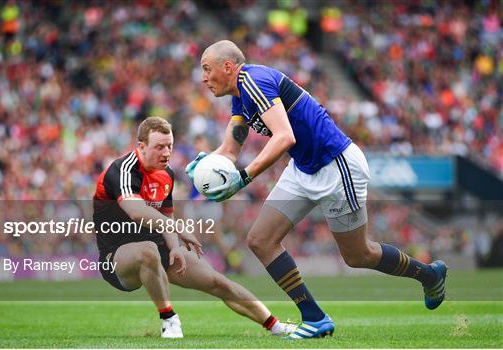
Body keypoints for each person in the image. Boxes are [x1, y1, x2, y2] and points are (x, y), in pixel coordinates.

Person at [186, 40, 448, 339]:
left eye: (207, 69)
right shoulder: (240, 97)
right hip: (303, 168)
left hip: (336, 166)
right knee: (260, 239)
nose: (204, 78)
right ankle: (314, 318)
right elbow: (231, 150)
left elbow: (284, 137)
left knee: (359, 255)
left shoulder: (254, 81)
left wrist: (243, 178)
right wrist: (208, 162)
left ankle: (429, 274)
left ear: (228, 66)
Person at [93, 116, 295, 338]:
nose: (166, 153)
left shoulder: (166, 174)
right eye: (159, 147)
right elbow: (137, 211)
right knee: (147, 249)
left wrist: (175, 246)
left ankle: (276, 326)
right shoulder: (122, 169)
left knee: (218, 282)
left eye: (169, 146)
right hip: (117, 258)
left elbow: (165, 215)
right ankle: (169, 320)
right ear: (141, 146)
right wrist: (180, 228)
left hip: (158, 248)